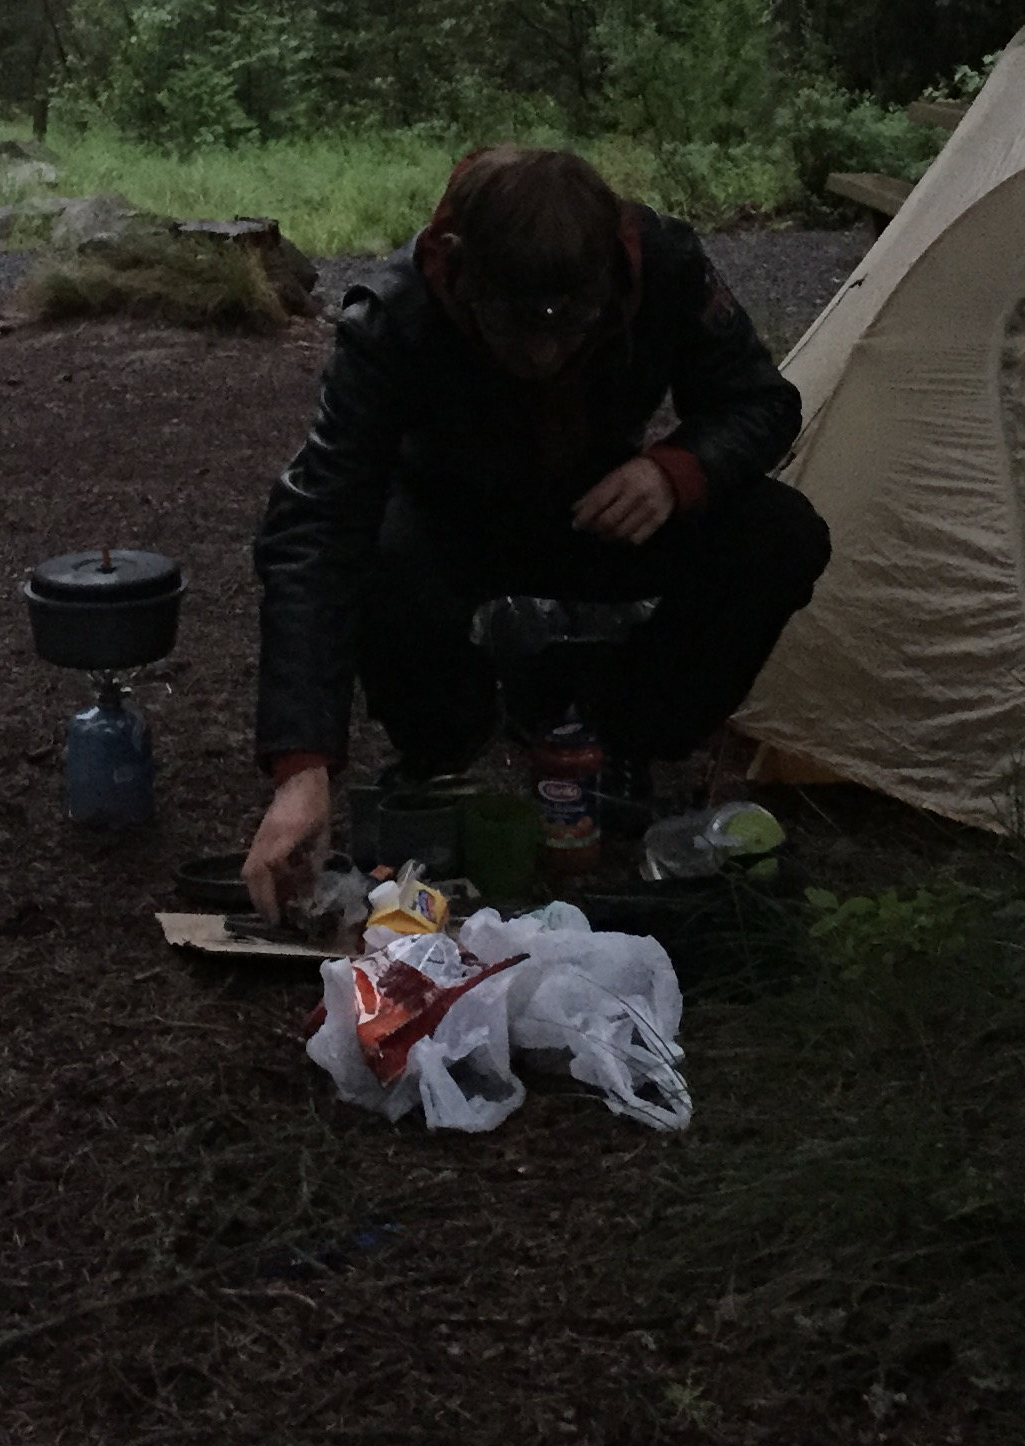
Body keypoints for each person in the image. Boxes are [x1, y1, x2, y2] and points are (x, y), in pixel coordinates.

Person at [242, 144, 830, 917]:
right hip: (448, 523)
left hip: (601, 510)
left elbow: (761, 402)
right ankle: (443, 737)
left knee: (780, 534)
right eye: (513, 329)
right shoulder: (393, 315)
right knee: (378, 549)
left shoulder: (664, 267)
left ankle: (628, 735)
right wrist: (301, 768)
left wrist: (674, 471)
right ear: (460, 271)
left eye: (572, 327)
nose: (543, 355)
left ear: (609, 283)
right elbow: (315, 525)